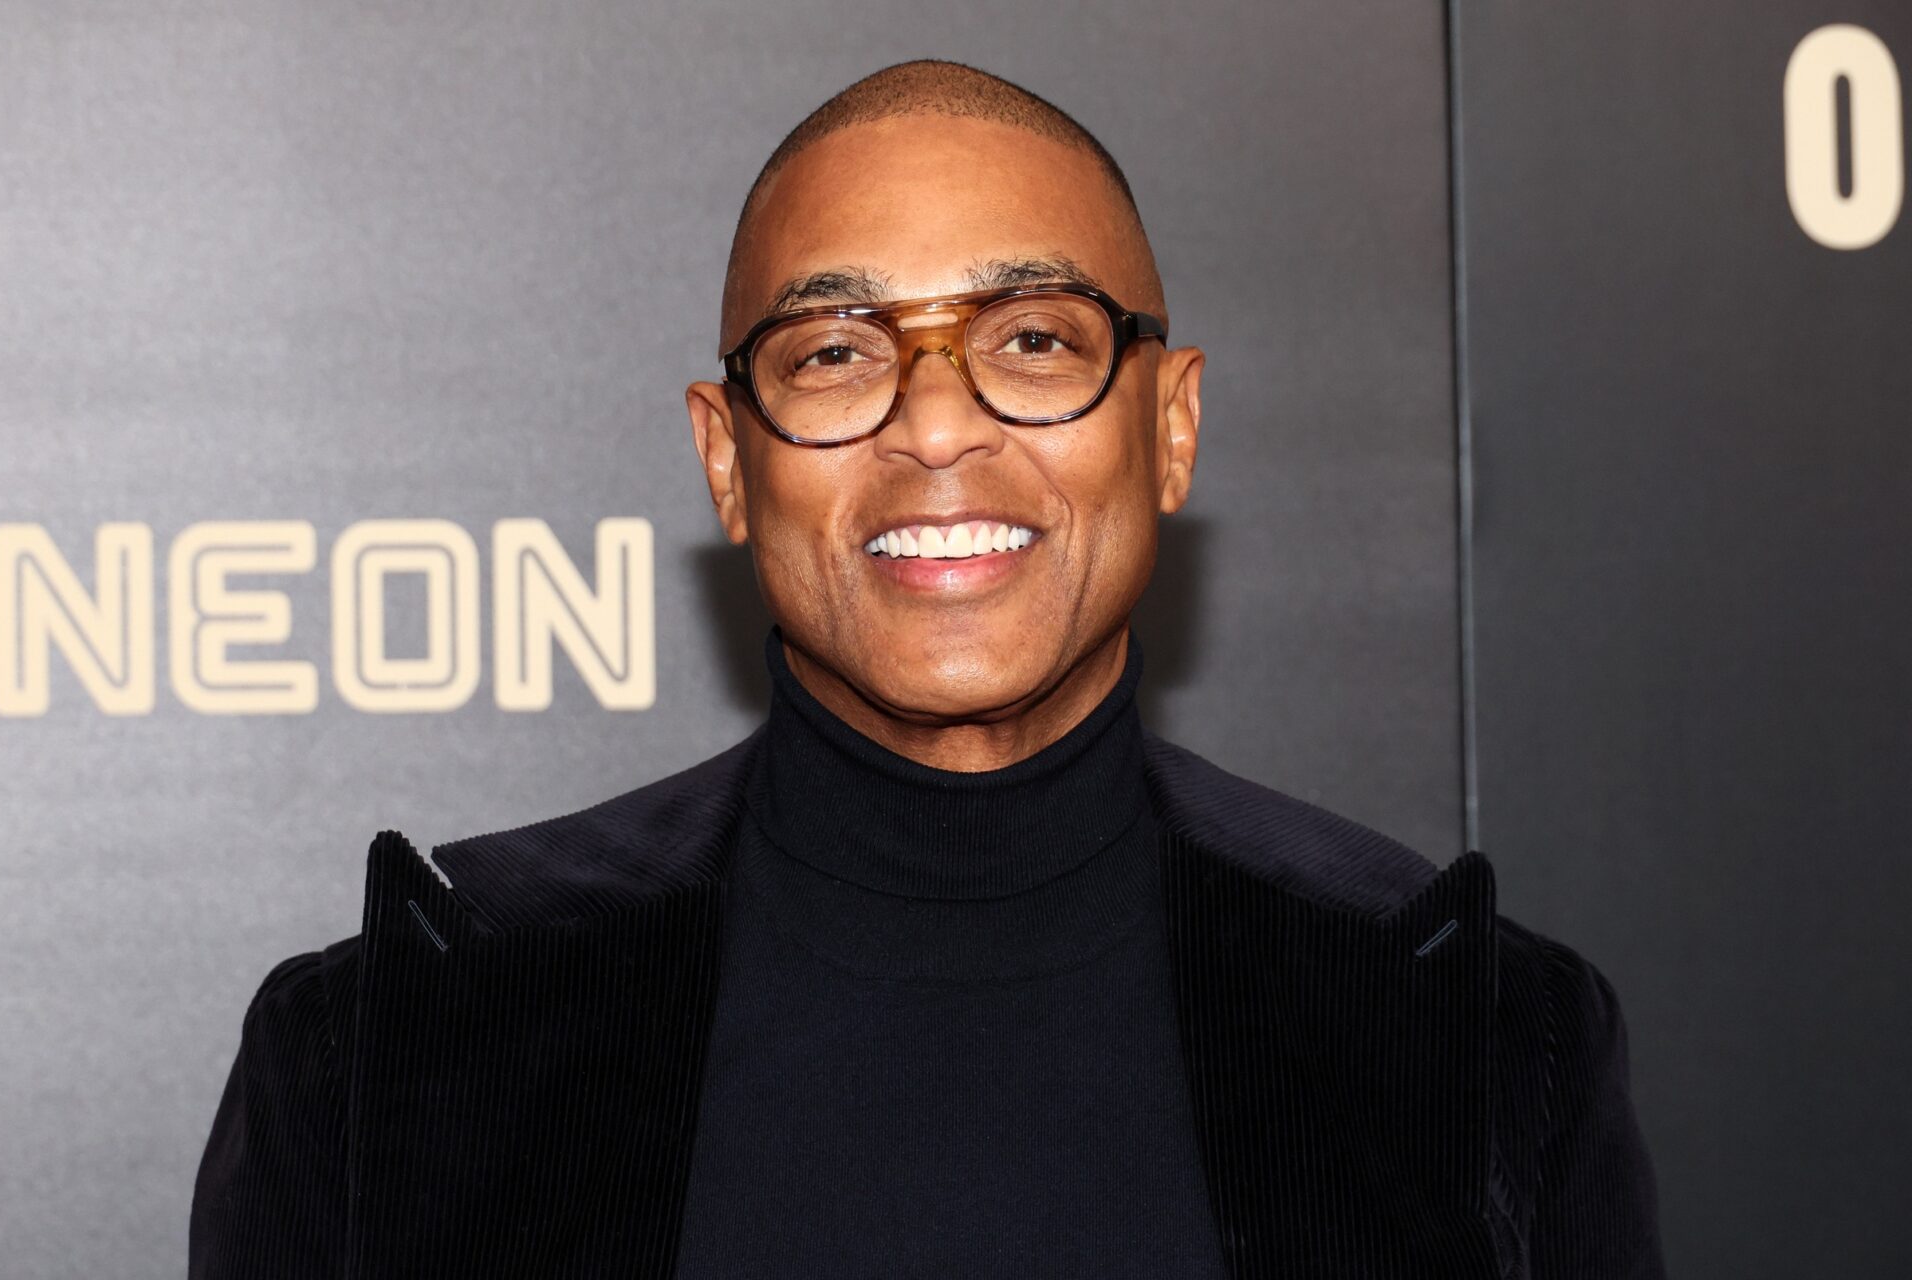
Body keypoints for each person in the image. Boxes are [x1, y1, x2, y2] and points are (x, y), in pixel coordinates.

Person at [190, 59, 1665, 1278]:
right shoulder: (386, 1050)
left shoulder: (1479, 1040)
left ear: (1171, 428)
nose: (939, 426)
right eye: (835, 352)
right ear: (726, 458)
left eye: (1034, 339)